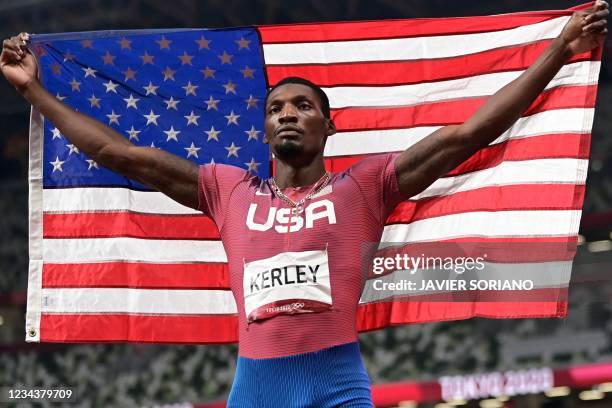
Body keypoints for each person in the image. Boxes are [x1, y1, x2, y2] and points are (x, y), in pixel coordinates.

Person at [1, 3, 608, 407]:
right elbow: (120, 153)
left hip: (336, 382)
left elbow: (466, 135)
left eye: (302, 106)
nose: (287, 113)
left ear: (328, 126)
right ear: (264, 130)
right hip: (255, 388)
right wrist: (36, 90)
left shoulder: (366, 186)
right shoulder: (226, 189)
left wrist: (557, 51)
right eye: (275, 109)